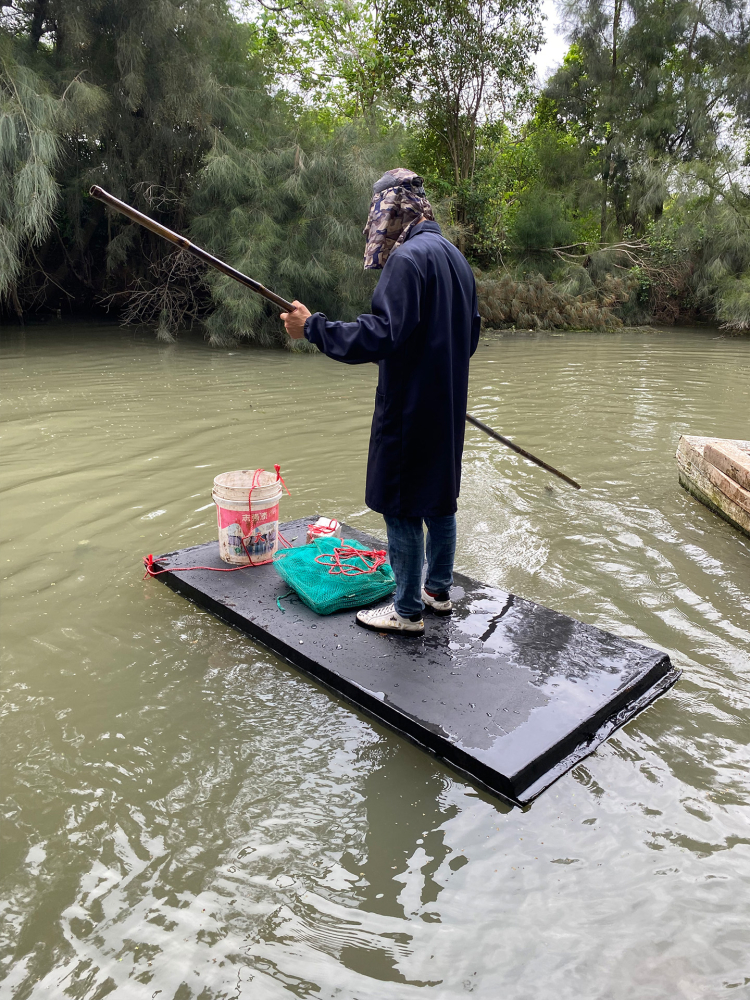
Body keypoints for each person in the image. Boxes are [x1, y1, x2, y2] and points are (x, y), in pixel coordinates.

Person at [281, 168, 480, 636]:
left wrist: (313, 328)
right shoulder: (455, 258)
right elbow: (467, 336)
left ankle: (407, 611)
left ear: (391, 211)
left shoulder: (408, 259)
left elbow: (381, 334)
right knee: (439, 498)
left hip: (410, 408)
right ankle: (437, 591)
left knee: (403, 504)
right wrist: (433, 365)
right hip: (446, 406)